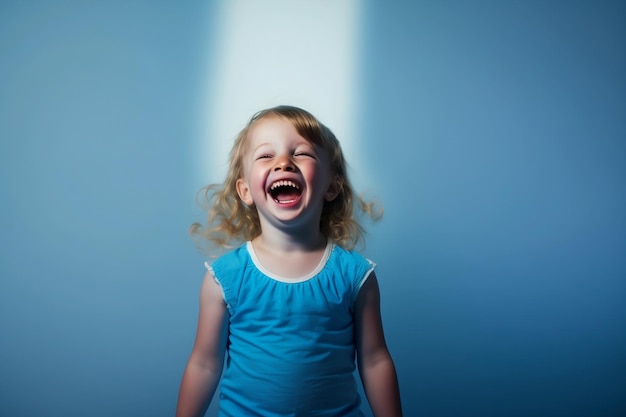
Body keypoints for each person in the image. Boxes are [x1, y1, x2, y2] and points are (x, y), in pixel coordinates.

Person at [176, 105, 402, 417]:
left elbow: (375, 360)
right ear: (245, 190)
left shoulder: (355, 275)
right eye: (266, 155)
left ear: (331, 186)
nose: (284, 163)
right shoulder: (224, 277)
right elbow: (204, 364)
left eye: (302, 154)